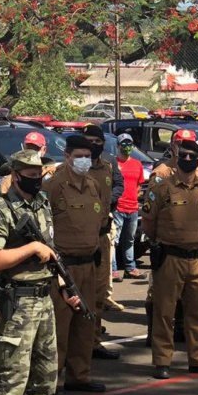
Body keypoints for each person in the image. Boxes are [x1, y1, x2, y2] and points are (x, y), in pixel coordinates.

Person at [0, 149, 77, 395]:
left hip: (43, 296)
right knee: (12, 371)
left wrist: (64, 286)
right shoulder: (0, 209)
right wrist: (31, 247)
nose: (37, 178)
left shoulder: (42, 203)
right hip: (18, 301)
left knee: (45, 368)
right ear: (16, 174)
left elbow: (50, 251)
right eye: (30, 173)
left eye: (39, 173)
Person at [141, 137, 198, 379]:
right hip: (171, 258)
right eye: (182, 155)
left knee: (197, 312)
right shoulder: (161, 189)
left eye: (191, 156)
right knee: (164, 312)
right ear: (176, 159)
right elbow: (148, 224)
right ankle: (162, 361)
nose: (186, 160)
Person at [43, 135, 108, 395]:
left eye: (88, 157)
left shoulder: (93, 184)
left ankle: (79, 375)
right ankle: (53, 379)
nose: (84, 161)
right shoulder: (54, 185)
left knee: (86, 322)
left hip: (88, 263)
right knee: (60, 325)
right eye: (79, 156)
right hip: (62, 266)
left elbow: (101, 220)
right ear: (67, 156)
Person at [81, 124, 125, 351]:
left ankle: (94, 342)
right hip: (76, 241)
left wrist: (110, 201)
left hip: (101, 236)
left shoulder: (108, 166)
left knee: (98, 295)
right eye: (89, 141)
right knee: (76, 294)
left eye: (98, 142)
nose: (94, 145)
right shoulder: (71, 169)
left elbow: (119, 185)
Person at [112, 133, 146, 282]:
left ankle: (130, 268)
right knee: (114, 240)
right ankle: (112, 270)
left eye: (129, 144)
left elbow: (139, 185)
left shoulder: (137, 164)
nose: (127, 147)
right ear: (118, 146)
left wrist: (134, 198)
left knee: (130, 240)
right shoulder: (113, 163)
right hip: (118, 208)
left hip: (133, 208)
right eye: (124, 144)